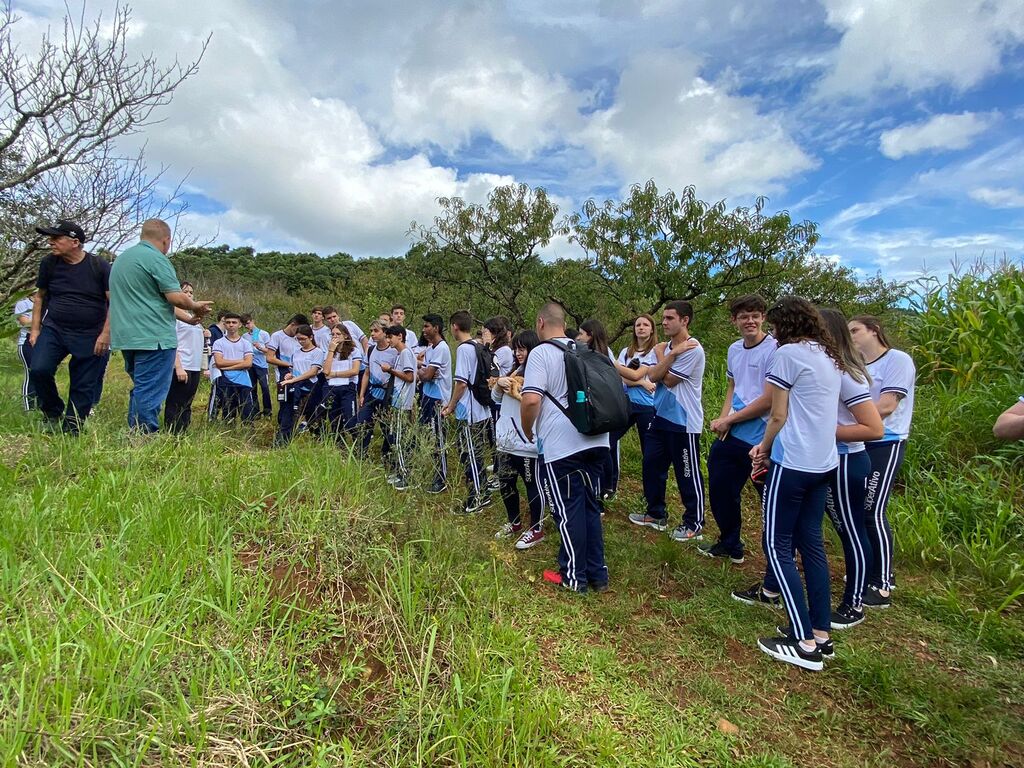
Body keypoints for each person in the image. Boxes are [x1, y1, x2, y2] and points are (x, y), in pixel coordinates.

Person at [740, 296, 843, 672]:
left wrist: (763, 450)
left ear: (784, 326)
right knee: (811, 544)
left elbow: (778, 414)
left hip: (794, 461)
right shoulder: (828, 355)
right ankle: (821, 633)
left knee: (777, 543)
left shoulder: (788, 355)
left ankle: (802, 642)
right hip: (824, 462)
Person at [521, 302, 610, 593]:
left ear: (540, 322)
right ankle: (597, 575)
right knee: (588, 507)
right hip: (597, 439)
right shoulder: (587, 350)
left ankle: (574, 577)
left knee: (568, 510)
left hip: (563, 446)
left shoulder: (541, 353)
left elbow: (532, 399)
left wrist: (527, 428)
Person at [108, 219, 214, 434]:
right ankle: (143, 439)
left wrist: (188, 319)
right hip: (154, 338)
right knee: (150, 392)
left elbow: (151, 300)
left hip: (127, 336)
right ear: (166, 240)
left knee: (141, 388)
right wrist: (195, 306)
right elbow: (175, 296)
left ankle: (135, 432)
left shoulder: (122, 260)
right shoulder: (156, 259)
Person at [819, 308, 884, 629]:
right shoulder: (828, 370)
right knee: (844, 530)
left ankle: (854, 604)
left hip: (847, 461)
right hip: (832, 459)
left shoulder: (845, 374)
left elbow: (873, 429)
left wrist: (822, 430)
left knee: (852, 532)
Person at [701, 295, 777, 564]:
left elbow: (769, 399)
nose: (750, 321)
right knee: (721, 488)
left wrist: (730, 420)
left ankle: (779, 562)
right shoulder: (734, 349)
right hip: (734, 432)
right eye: (744, 316)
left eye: (756, 315)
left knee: (769, 500)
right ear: (734, 320)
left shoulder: (775, 349)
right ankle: (730, 542)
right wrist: (724, 421)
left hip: (765, 437)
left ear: (763, 318)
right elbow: (733, 387)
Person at [848, 315, 916, 607]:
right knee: (854, 507)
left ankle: (883, 582)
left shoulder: (897, 360)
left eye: (856, 330)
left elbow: (887, 405)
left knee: (872, 509)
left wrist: (851, 419)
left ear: (874, 331)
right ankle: (867, 569)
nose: (851, 336)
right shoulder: (857, 366)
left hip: (886, 441)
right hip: (859, 440)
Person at [628, 301, 706, 542]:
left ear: (685, 320)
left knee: (686, 472)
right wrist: (669, 354)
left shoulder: (693, 349)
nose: (664, 322)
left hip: (684, 421)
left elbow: (668, 380)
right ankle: (656, 514)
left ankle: (694, 522)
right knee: (652, 464)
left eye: (670, 318)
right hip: (660, 416)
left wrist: (664, 356)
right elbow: (650, 375)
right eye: (663, 318)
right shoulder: (667, 348)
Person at [28, 220, 111, 434]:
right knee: (39, 368)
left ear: (75, 242)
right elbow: (40, 297)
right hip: (55, 328)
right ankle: (53, 411)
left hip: (90, 333)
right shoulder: (49, 263)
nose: (50, 242)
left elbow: (115, 302)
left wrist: (105, 334)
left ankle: (72, 428)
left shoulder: (99, 266)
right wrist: (35, 330)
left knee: (82, 383)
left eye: (56, 238)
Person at [494, 330, 546, 549]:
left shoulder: (539, 373)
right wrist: (499, 386)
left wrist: (517, 392)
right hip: (506, 439)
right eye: (516, 348)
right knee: (505, 482)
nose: (518, 353)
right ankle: (514, 522)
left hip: (527, 441)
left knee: (531, 483)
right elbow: (495, 399)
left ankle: (536, 528)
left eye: (522, 348)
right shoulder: (513, 372)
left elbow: (539, 403)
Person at [441, 310, 492, 515]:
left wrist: (451, 406)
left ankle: (477, 499)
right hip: (482, 408)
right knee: (475, 453)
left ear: (454, 326)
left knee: (470, 455)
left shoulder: (463, 349)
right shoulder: (479, 345)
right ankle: (483, 493)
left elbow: (461, 383)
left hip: (470, 411)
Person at [608, 314, 660, 496]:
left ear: (652, 329)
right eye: (638, 324)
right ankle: (610, 487)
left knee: (649, 451)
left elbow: (634, 375)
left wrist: (624, 372)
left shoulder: (655, 352)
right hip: (626, 403)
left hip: (648, 406)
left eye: (646, 325)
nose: (641, 327)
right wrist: (641, 383)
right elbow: (623, 379)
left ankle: (650, 496)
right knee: (608, 440)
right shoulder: (626, 352)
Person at [163, 282, 206, 433]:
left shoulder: (191, 318)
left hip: (194, 366)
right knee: (176, 401)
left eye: (191, 293)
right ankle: (172, 432)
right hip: (182, 366)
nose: (189, 295)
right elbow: (172, 342)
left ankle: (183, 432)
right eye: (185, 292)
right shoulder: (173, 317)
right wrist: (178, 367)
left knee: (187, 402)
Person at [417, 313, 451, 494]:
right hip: (427, 396)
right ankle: (433, 471)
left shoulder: (442, 348)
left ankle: (441, 478)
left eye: (427, 326)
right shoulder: (430, 349)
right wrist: (423, 370)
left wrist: (424, 372)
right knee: (428, 435)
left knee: (438, 437)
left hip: (438, 398)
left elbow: (427, 375)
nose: (424, 330)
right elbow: (423, 373)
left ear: (436, 328)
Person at [274, 324, 325, 445]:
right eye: (298, 339)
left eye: (303, 338)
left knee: (313, 416)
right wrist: (290, 376)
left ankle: (318, 440)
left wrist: (294, 380)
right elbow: (294, 370)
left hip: (310, 388)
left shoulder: (317, 352)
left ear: (311, 337)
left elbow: (313, 371)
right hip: (296, 387)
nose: (301, 341)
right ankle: (283, 441)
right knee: (290, 414)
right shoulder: (296, 353)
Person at [355, 321, 398, 460]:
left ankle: (388, 456)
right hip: (372, 393)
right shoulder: (371, 350)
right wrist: (361, 394)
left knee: (387, 428)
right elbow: (367, 372)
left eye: (376, 331)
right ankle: (361, 454)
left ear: (385, 333)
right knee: (363, 423)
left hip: (387, 395)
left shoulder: (394, 351)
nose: (372, 334)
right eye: (371, 331)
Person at [381, 325, 417, 490]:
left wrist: (391, 370)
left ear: (400, 336)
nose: (388, 341)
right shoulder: (400, 354)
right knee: (397, 436)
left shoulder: (405, 353)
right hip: (397, 401)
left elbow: (409, 377)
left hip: (402, 402)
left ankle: (406, 475)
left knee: (400, 439)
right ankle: (401, 471)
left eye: (391, 337)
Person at [318, 324, 362, 436]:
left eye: (338, 334)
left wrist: (335, 374)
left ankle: (357, 446)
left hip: (348, 388)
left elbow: (354, 371)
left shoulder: (354, 351)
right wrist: (331, 351)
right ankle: (339, 447)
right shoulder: (329, 352)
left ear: (345, 335)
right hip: (332, 388)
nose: (335, 336)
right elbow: (326, 372)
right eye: (332, 334)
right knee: (334, 421)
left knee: (350, 421)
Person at [265, 314, 308, 430]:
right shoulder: (277, 336)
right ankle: (283, 428)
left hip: (300, 375)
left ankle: (296, 426)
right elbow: (269, 358)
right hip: (283, 376)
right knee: (285, 403)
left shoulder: (299, 339)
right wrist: (288, 364)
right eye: (298, 329)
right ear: (293, 324)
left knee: (300, 402)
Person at [211, 312, 255, 422]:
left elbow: (248, 363)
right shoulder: (219, 343)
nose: (231, 325)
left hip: (243, 381)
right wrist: (241, 361)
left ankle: (248, 435)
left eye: (234, 322)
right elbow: (219, 362)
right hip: (226, 380)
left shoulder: (246, 343)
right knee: (228, 413)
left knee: (247, 412)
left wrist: (228, 366)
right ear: (224, 324)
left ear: (240, 325)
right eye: (228, 322)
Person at [242, 314, 273, 417]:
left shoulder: (263, 334)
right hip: (250, 365)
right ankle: (255, 411)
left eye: (248, 323)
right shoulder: (245, 336)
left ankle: (267, 410)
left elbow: (269, 350)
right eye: (244, 324)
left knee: (265, 387)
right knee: (252, 388)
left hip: (262, 365)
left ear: (252, 321)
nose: (247, 326)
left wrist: (260, 348)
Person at [14, 292, 37, 411]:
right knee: (31, 373)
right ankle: (29, 408)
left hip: (42, 341)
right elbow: (25, 322)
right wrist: (41, 320)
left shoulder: (48, 303)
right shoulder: (22, 304)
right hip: (27, 342)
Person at [206, 311, 227, 420]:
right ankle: (211, 417)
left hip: (225, 367)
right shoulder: (213, 331)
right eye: (227, 321)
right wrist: (207, 367)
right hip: (214, 366)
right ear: (222, 319)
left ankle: (224, 416)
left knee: (224, 392)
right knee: (216, 391)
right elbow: (208, 349)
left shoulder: (226, 333)